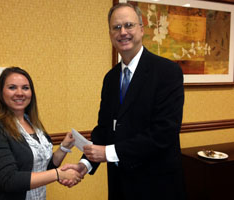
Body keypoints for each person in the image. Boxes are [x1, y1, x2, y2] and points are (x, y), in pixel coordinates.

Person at [61, 3, 186, 200]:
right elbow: (104, 130)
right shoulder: (110, 78)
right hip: (120, 186)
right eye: (116, 27)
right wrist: (84, 165)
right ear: (110, 34)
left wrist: (109, 152)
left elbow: (164, 133)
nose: (123, 32)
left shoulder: (167, 72)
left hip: (157, 187)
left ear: (142, 29)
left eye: (129, 25)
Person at [0, 67, 82, 200]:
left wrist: (64, 147)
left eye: (25, 88)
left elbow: (42, 168)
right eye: (12, 87)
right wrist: (58, 174)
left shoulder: (34, 125)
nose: (20, 93)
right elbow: (9, 180)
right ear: (0, 92)